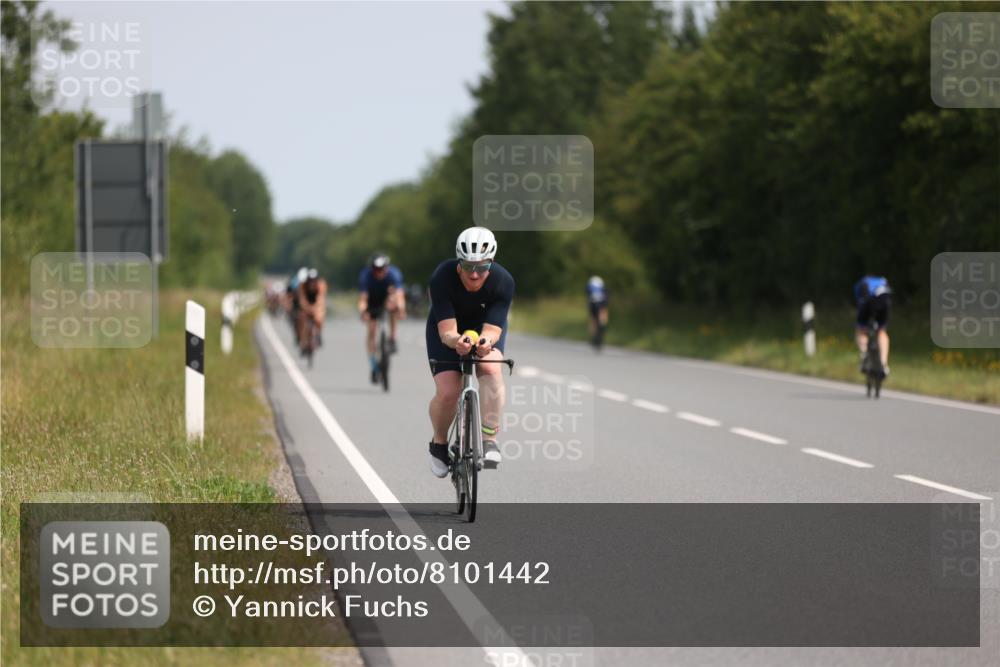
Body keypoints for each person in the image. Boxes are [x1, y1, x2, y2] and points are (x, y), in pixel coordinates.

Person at [426, 226, 514, 478]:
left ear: (492, 263)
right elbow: (446, 332)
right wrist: (457, 342)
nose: (474, 275)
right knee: (448, 391)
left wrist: (486, 341)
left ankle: (489, 438)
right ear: (459, 262)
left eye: (482, 267)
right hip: (447, 329)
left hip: (485, 327)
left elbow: (494, 329)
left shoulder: (503, 281)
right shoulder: (442, 276)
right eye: (468, 267)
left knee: (490, 368)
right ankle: (439, 444)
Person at [358, 253, 406, 383]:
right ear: (372, 268)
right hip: (372, 302)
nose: (379, 272)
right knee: (372, 331)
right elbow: (363, 299)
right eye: (376, 269)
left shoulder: (394, 274)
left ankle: (392, 337)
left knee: (394, 304)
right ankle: (374, 364)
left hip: (386, 300)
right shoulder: (366, 276)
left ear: (386, 267)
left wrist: (401, 309)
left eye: (382, 269)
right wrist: (362, 311)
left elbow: (400, 295)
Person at [854, 274, 892, 376]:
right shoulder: (883, 281)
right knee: (881, 331)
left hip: (867, 303)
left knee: (861, 330)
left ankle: (864, 354)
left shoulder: (861, 283)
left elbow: (859, 301)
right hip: (884, 303)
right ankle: (884, 364)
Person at [296, 268, 327, 355]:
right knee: (301, 320)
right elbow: (302, 299)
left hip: (316, 305)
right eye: (310, 280)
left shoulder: (321, 285)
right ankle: (303, 342)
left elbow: (320, 298)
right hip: (306, 305)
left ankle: (318, 334)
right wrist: (307, 308)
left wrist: (316, 308)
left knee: (319, 319)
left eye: (314, 280)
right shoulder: (302, 285)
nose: (312, 283)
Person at [586, 275, 609, 347]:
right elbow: (606, 295)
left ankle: (594, 337)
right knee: (603, 313)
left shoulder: (590, 284)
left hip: (592, 304)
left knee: (593, 319)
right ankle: (603, 325)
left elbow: (587, 294)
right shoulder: (601, 284)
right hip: (602, 303)